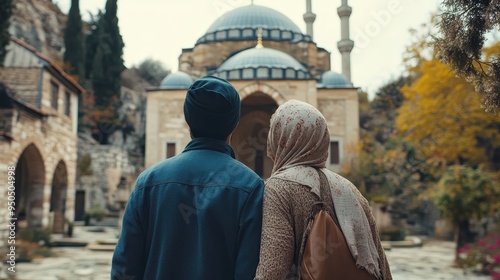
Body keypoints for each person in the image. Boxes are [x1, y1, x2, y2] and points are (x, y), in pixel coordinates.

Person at [111, 76, 264, 280]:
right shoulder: (250, 187)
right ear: (234, 125)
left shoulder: (148, 183)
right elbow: (247, 270)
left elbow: (125, 267)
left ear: (188, 120)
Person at [254, 100, 392, 280]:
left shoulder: (279, 188)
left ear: (279, 138)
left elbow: (272, 271)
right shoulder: (350, 189)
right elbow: (381, 266)